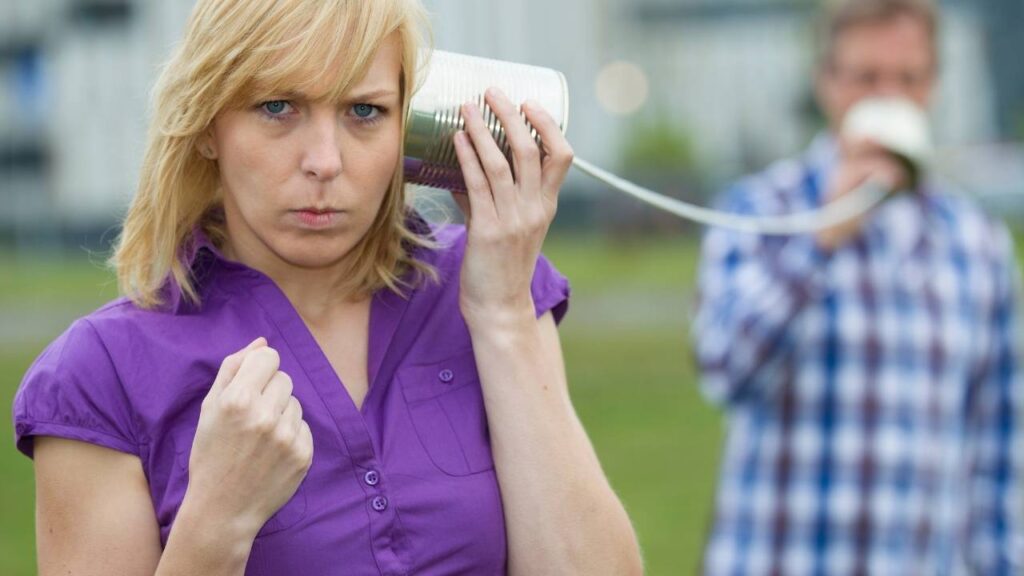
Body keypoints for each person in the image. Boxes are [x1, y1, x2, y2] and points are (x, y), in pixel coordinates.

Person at [11, 0, 643, 574]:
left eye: (363, 111)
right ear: (206, 124)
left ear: (411, 129)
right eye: (278, 108)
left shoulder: (489, 278)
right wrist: (216, 525)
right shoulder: (100, 374)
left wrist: (503, 315)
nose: (325, 160)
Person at [693, 0, 1021, 574]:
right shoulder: (761, 211)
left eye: (908, 78)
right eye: (867, 78)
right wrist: (820, 241)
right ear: (827, 83)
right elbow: (724, 371)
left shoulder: (979, 245)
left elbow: (999, 454)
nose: (887, 97)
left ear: (934, 86)